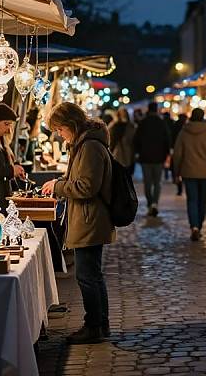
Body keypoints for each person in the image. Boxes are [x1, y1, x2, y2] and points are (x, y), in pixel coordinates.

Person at [42, 103, 115, 344]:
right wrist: (61, 181)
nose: (59, 135)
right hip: (88, 217)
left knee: (87, 275)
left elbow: (86, 186)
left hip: (89, 218)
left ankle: (94, 326)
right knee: (92, 274)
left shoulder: (90, 146)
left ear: (70, 125)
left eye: (60, 130)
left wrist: (58, 187)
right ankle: (100, 324)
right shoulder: (84, 144)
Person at [173, 108, 206, 241]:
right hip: (205, 172)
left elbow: (177, 154)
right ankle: (199, 225)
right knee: (202, 200)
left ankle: (194, 226)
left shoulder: (184, 132)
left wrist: (176, 172)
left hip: (188, 172)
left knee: (192, 200)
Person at [134, 102, 171, 216]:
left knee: (148, 182)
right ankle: (155, 203)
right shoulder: (161, 123)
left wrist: (138, 153)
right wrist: (167, 153)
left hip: (145, 157)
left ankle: (150, 203)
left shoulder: (143, 123)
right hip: (159, 157)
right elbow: (167, 139)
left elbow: (137, 139)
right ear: (156, 110)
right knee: (157, 182)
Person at [171, 113, 188, 195]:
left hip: (177, 150)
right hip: (186, 152)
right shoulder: (186, 128)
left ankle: (179, 188)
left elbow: (172, 137)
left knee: (178, 171)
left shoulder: (175, 126)